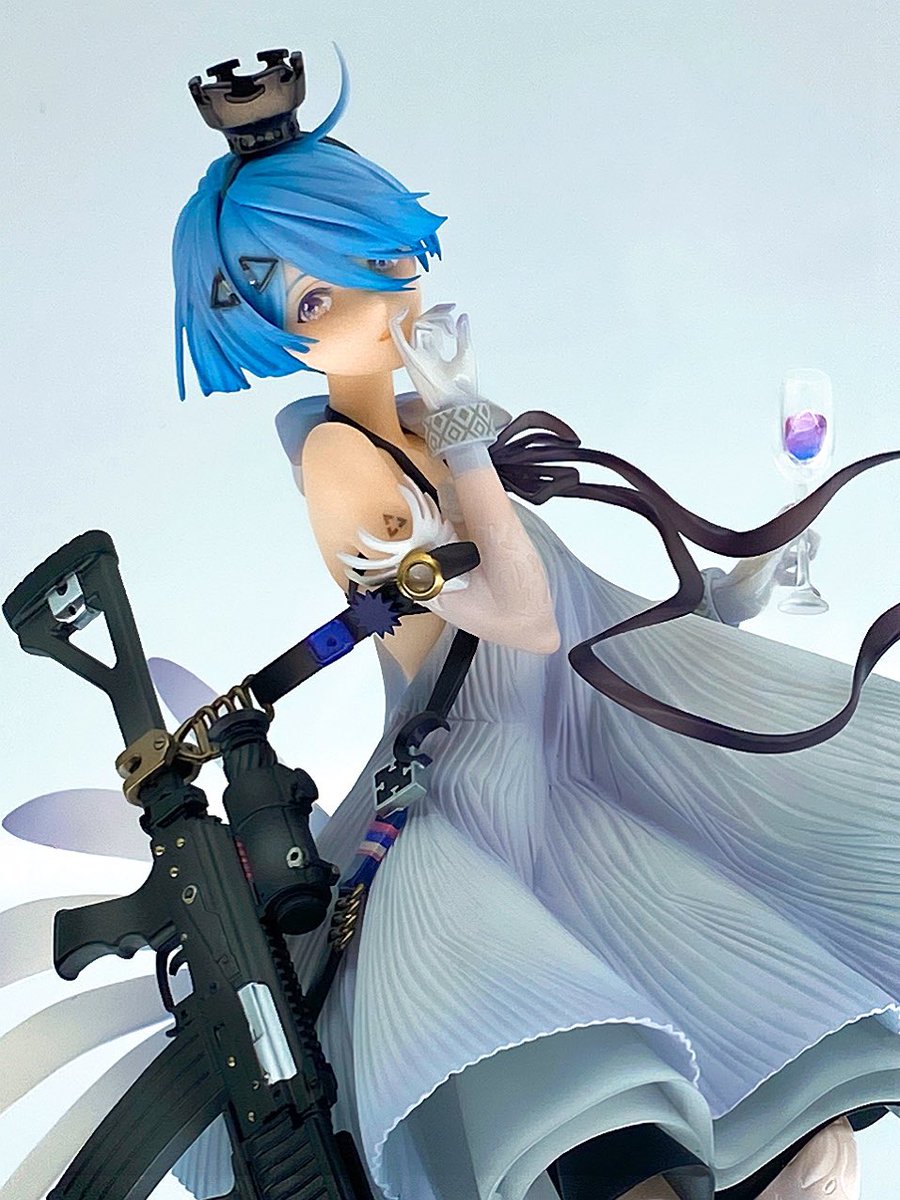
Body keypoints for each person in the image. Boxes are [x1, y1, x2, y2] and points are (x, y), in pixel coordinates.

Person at [5, 45, 897, 1200]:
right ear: (273, 331)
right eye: (318, 300)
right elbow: (519, 616)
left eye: (376, 260)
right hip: (482, 797)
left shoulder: (428, 416)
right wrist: (470, 428)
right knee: (588, 1084)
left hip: (580, 755)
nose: (380, 303)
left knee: (795, 1102)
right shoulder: (345, 464)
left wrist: (730, 594)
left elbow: (578, 607)